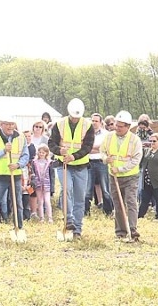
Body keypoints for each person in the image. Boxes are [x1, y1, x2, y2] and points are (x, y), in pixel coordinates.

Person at [48, 98, 95, 240]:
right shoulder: (59, 124)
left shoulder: (88, 125)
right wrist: (59, 150)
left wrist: (74, 156)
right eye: (73, 117)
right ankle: (68, 219)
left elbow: (88, 146)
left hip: (81, 166)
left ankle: (77, 229)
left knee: (80, 197)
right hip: (64, 164)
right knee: (66, 190)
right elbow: (51, 143)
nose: (75, 119)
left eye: (77, 117)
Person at [100, 111, 143, 240]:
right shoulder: (108, 137)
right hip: (113, 176)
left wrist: (121, 168)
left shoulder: (135, 140)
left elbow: (136, 160)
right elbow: (102, 151)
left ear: (128, 127)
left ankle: (132, 229)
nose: (117, 128)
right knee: (118, 203)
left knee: (131, 202)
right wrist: (105, 159)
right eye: (116, 125)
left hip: (130, 176)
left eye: (120, 126)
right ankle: (120, 231)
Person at [0, 116, 30, 240]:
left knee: (17, 203)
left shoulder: (21, 137)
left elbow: (26, 155)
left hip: (15, 174)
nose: (10, 126)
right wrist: (4, 150)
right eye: (7, 124)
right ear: (1, 124)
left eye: (12, 124)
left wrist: (18, 164)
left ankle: (18, 228)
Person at [139, 133, 158, 220]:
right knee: (145, 199)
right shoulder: (147, 151)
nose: (152, 143)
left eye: (154, 141)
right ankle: (140, 215)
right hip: (147, 180)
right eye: (150, 141)